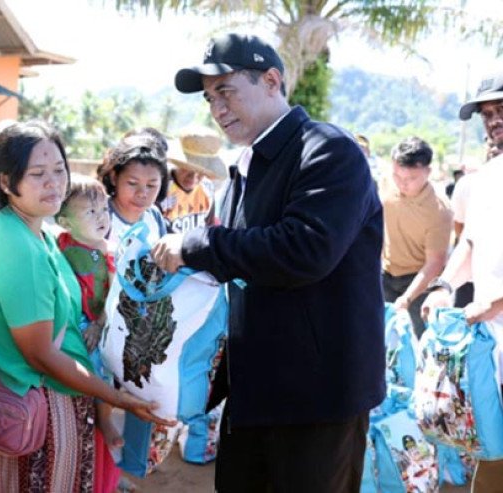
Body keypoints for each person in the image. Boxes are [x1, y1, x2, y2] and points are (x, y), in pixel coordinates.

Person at [152, 32, 385, 492]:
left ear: (272, 80)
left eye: (226, 90)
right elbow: (238, 275)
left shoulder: (327, 150)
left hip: (317, 401)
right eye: (209, 98)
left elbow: (304, 250)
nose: (217, 108)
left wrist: (200, 245)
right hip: (254, 393)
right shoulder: (242, 170)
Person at [0, 121, 172, 492]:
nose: (54, 182)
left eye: (59, 170)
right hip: (46, 408)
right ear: (5, 181)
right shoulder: (18, 247)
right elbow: (42, 355)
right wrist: (114, 397)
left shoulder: (37, 232)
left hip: (56, 401)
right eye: (38, 174)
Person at [422, 69, 503, 493]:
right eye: (487, 113)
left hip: (492, 319)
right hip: (490, 349)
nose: (493, 120)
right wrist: (444, 286)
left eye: (502, 108)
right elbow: (470, 241)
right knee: (491, 459)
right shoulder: (485, 178)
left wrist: (496, 302)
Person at [54, 174, 122, 492]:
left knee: (99, 368)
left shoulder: (109, 252)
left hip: (98, 324)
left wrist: (98, 323)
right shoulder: (61, 245)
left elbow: (114, 294)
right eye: (90, 212)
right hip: (74, 323)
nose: (101, 218)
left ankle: (106, 419)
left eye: (104, 210)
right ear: (64, 221)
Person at [379, 137, 452, 337]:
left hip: (420, 283)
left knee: (420, 345)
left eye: (411, 179)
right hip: (385, 275)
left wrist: (407, 298)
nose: (402, 184)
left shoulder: (439, 210)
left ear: (428, 172)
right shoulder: (386, 184)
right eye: (397, 176)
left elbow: (435, 262)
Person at [98, 132, 170, 247]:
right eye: (132, 183)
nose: (142, 193)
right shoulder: (99, 214)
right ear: (114, 177)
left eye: (151, 185)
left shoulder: (154, 216)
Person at [161, 126, 228, 233]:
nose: (193, 177)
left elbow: (209, 228)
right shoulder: (160, 187)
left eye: (202, 172)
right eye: (188, 168)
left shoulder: (207, 189)